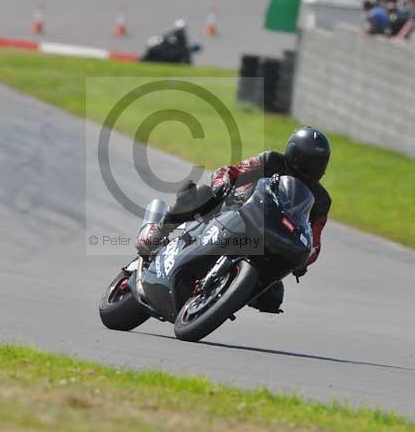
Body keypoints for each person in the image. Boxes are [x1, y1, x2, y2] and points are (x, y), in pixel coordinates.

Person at [136, 127, 332, 314]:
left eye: (317, 163)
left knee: (273, 296)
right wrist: (223, 182)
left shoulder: (321, 200)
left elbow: (314, 239)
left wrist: (306, 259)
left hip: (270, 238)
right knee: (202, 194)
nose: (310, 167)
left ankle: (218, 296)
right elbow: (233, 171)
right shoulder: (270, 161)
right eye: (306, 160)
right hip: (234, 210)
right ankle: (157, 232)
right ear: (293, 153)